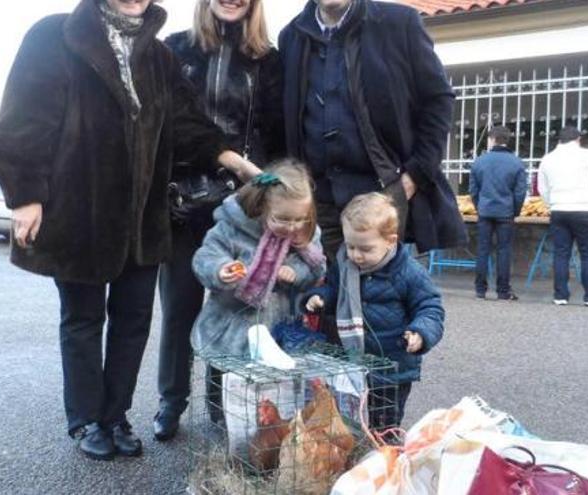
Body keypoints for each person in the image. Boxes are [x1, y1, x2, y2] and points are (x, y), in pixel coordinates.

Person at [0, 0, 261, 461]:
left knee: (133, 322)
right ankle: (86, 421)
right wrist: (26, 196)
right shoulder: (56, 36)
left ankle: (115, 416)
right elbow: (24, 117)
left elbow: (188, 125)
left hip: (142, 219)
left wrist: (235, 161)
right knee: (82, 320)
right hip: (81, 212)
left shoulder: (159, 57)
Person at [155, 0, 284, 442]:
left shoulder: (269, 61)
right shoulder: (174, 50)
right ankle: (171, 402)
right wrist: (226, 158)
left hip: (242, 209)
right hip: (182, 202)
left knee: (232, 307)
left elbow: (278, 136)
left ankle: (220, 402)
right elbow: (170, 124)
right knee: (179, 308)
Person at [278, 0, 465, 262]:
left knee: (383, 296)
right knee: (321, 297)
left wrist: (415, 175)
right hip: (319, 202)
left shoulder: (400, 23)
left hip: (382, 195)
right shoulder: (291, 36)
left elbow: (438, 99)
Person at [303, 193, 444, 429]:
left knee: (384, 424)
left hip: (391, 366)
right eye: (350, 246)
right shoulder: (345, 266)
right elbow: (334, 290)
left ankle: (384, 457)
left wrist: (420, 332)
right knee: (350, 419)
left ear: (390, 241)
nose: (356, 255)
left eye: (365, 248)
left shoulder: (408, 272)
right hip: (351, 362)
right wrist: (321, 298)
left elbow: (430, 307)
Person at [191, 161, 326, 360]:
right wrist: (220, 269)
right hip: (233, 328)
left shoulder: (306, 235)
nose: (291, 227)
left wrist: (296, 272)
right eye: (282, 219)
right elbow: (206, 256)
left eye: (299, 219)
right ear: (263, 206)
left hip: (281, 330)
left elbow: (317, 269)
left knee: (277, 389)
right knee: (225, 387)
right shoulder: (234, 227)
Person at [537, 127, 588, 307]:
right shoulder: (587, 154)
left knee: (561, 253)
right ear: (577, 139)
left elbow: (542, 189)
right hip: (584, 209)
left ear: (558, 140)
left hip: (559, 210)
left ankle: (560, 295)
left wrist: (552, 203)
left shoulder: (547, 159)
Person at [469, 127, 527, 300]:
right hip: (506, 211)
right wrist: (514, 210)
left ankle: (480, 289)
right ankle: (503, 291)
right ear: (506, 140)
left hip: (485, 210)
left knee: (482, 249)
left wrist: (479, 206)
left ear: (492, 139)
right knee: (504, 250)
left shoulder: (479, 162)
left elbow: (473, 190)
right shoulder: (516, 163)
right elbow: (520, 192)